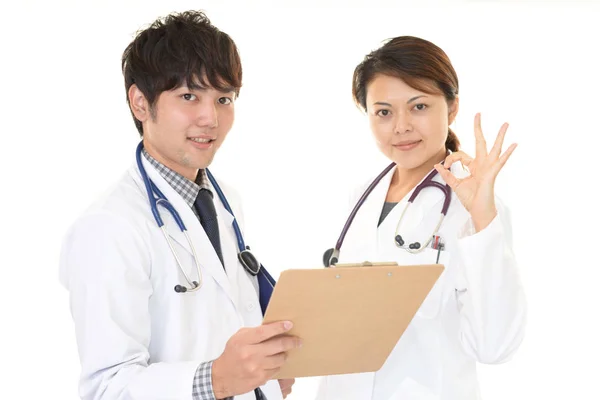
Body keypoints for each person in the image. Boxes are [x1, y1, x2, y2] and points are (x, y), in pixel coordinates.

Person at [59, 10, 299, 400]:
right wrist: (217, 380)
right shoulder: (108, 228)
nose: (211, 118)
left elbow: (224, 322)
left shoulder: (224, 200)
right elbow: (107, 387)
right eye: (189, 96)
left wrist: (265, 373)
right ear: (140, 102)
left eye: (224, 99)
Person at [317, 36, 527, 399]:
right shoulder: (362, 197)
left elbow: (495, 347)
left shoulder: (478, 210)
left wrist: (482, 219)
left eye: (418, 107)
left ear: (452, 107)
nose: (400, 126)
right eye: (383, 112)